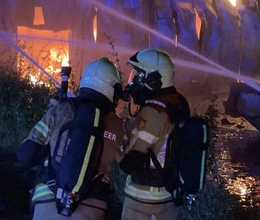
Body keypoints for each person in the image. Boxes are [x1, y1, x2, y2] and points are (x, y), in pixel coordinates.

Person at [16, 57, 124, 220]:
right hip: (91, 210)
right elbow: (125, 167)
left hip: (48, 203)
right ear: (113, 90)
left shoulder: (59, 111)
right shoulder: (118, 126)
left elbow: (25, 156)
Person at [118, 48, 190, 220]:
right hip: (167, 197)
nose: (135, 80)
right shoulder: (176, 103)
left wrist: (117, 152)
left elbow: (130, 162)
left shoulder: (153, 111)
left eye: (139, 75)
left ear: (154, 77)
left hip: (144, 201)